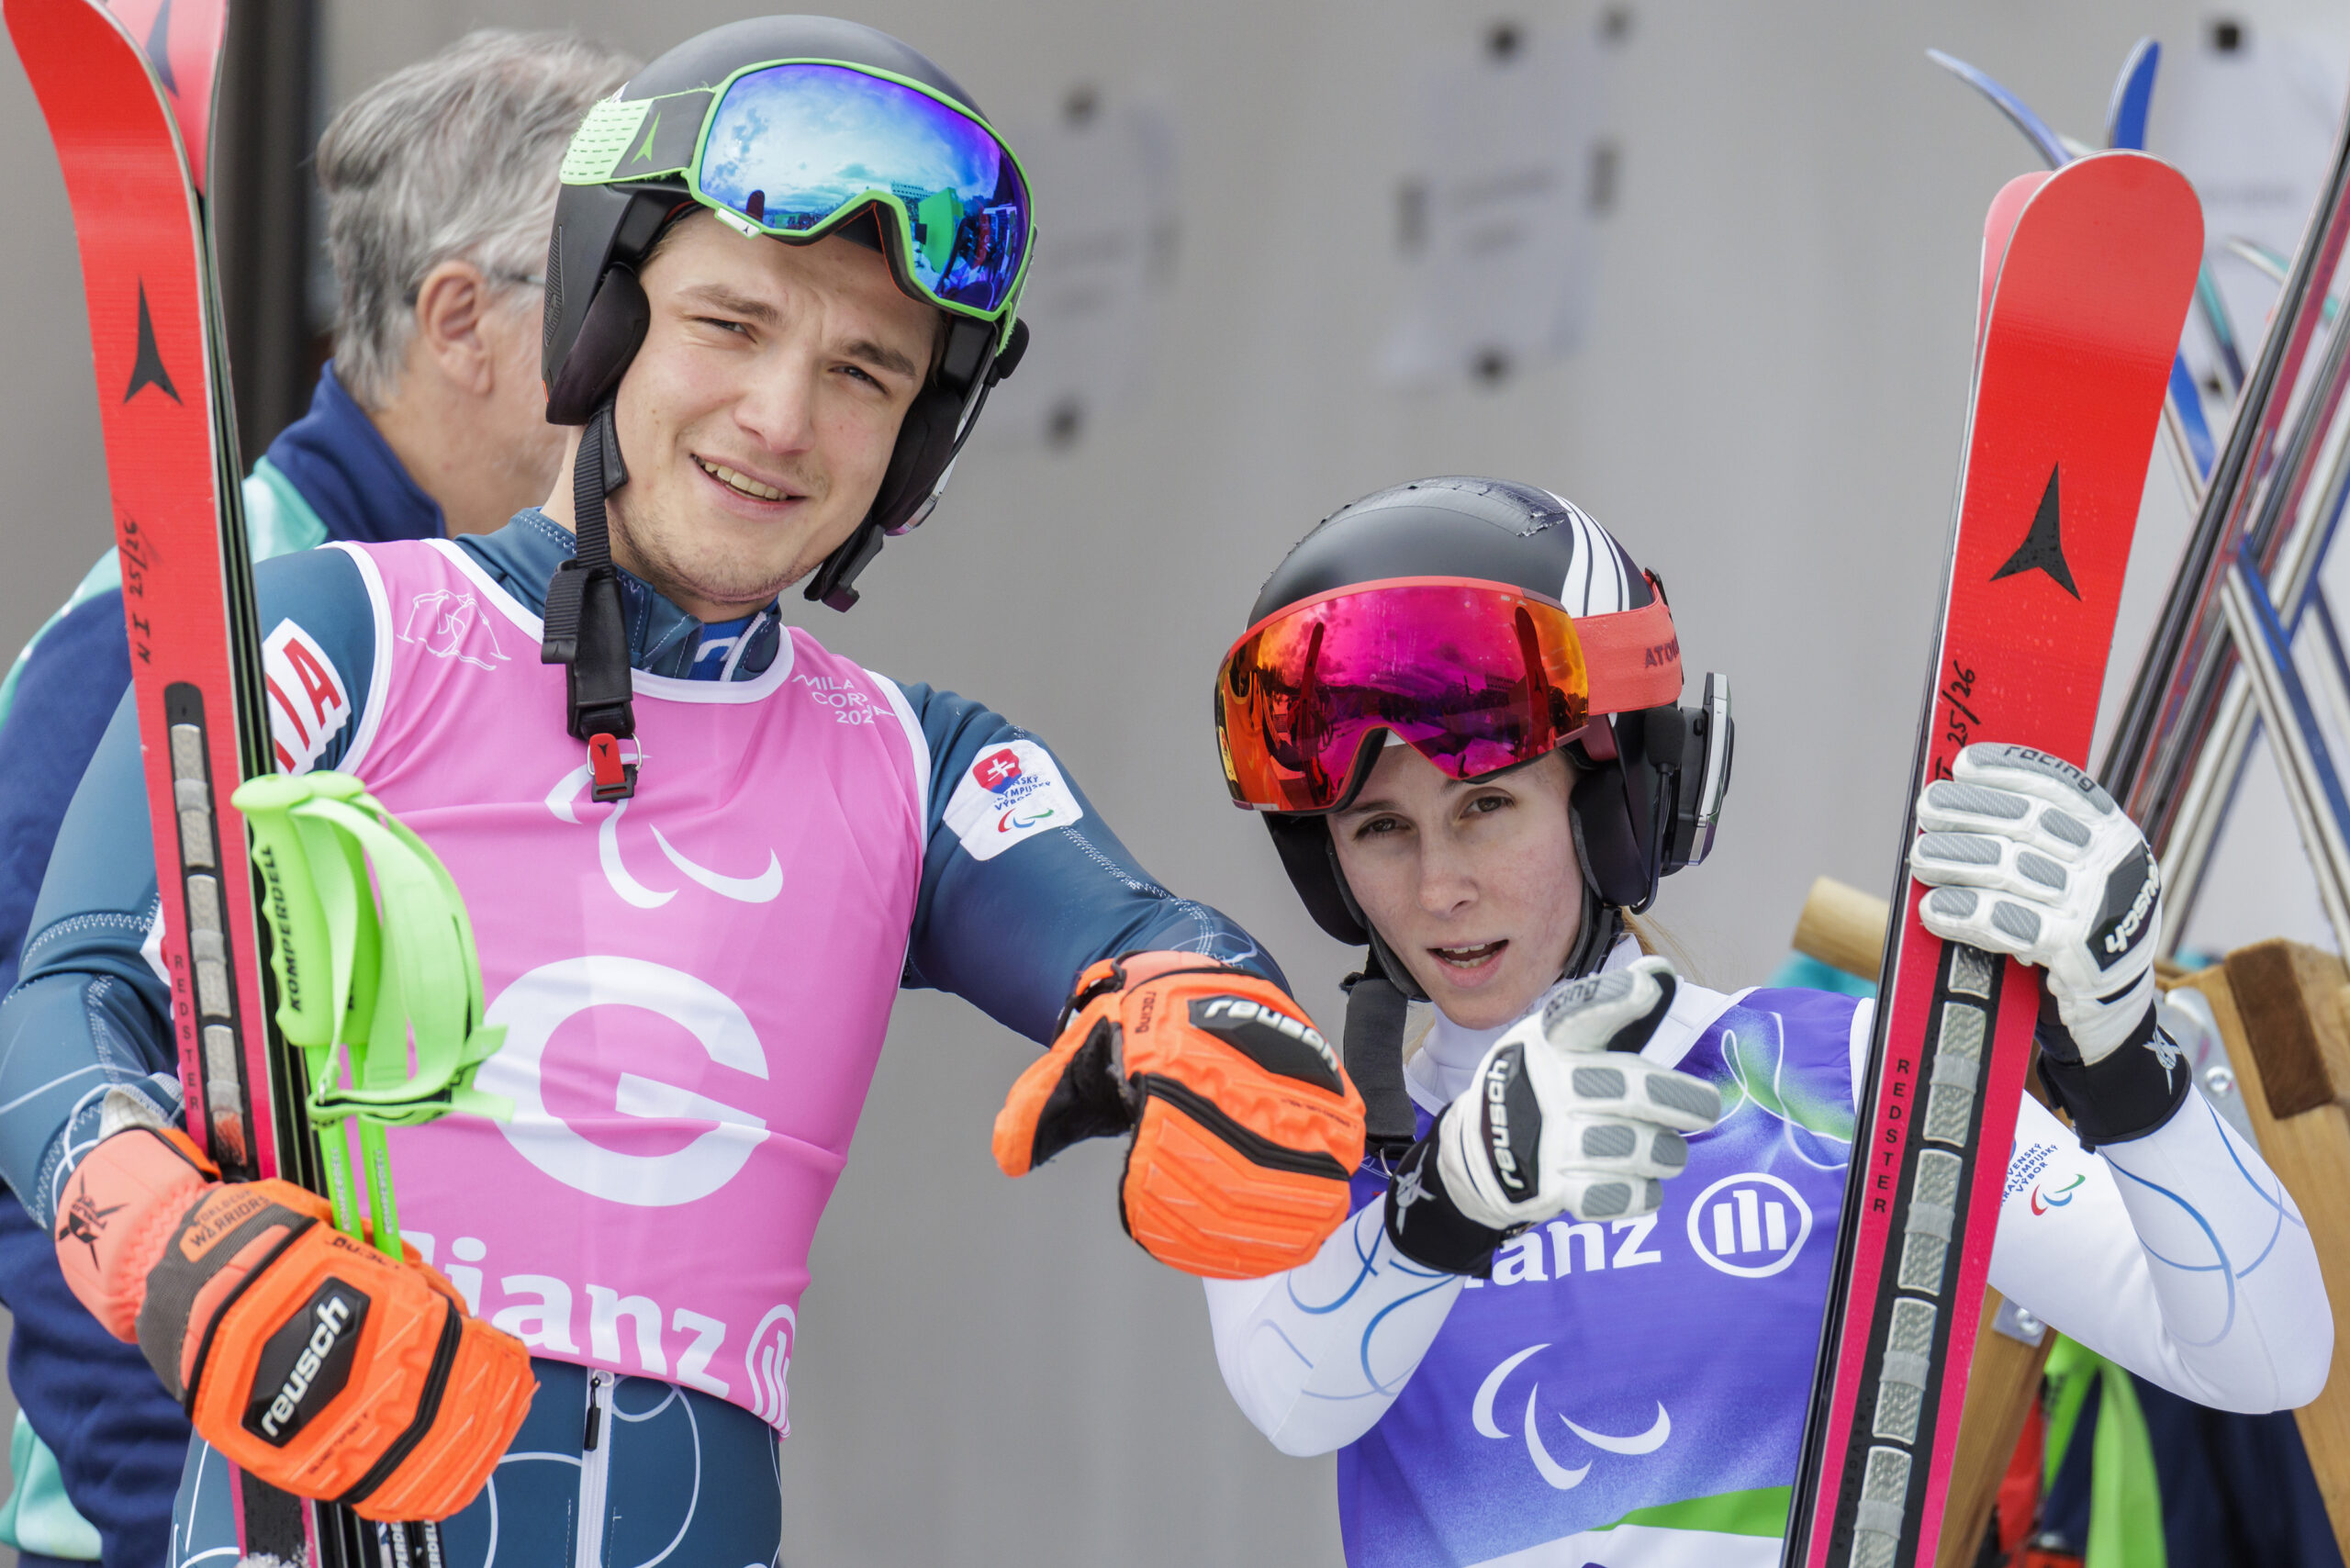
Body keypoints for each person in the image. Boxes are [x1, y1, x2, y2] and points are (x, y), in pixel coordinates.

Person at [0, 17, 1366, 1566]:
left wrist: (1222, 1028)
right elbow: (65, 1008)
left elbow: (1152, 941)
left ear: (917, 444)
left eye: (863, 371)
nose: (781, 418)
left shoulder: (910, 761)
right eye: (729, 323)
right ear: (602, 324)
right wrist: (173, 1248)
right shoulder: (344, 630)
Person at [1199, 476, 2331, 1568]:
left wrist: (2126, 1062)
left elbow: (2265, 1356)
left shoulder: (1851, 1077)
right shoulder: (1298, 1151)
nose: (1438, 886)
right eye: (1380, 828)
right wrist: (1449, 1200)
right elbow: (1294, 1397)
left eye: (1486, 804)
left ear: (1618, 804)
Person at [0, 29, 633, 1568]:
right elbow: (42, 1122)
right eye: (626, 305)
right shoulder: (183, 622)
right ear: (462, 320)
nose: (671, 371)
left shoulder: (519, 626)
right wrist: (186, 1528)